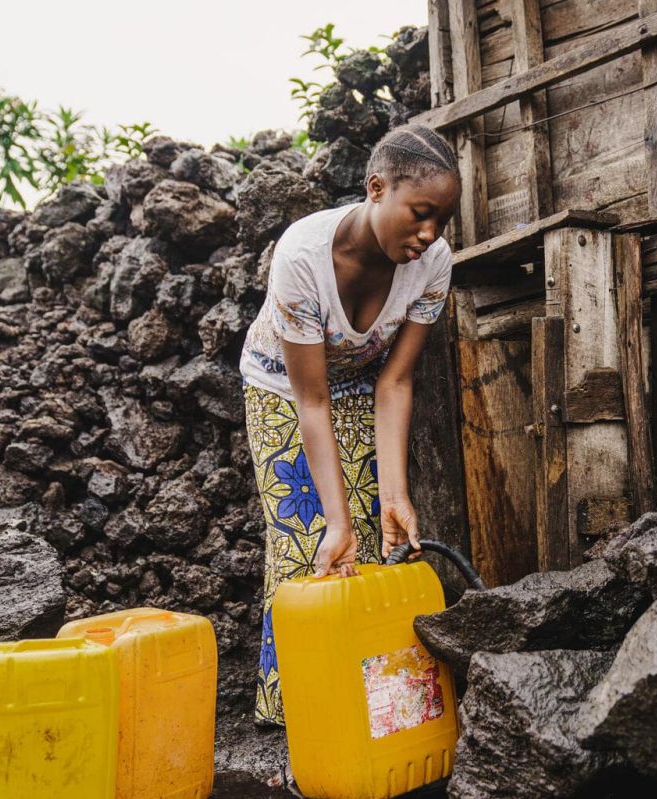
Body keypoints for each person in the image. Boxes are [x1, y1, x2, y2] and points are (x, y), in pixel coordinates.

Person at [238, 123, 461, 730]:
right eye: (420, 214)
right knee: (308, 538)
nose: (430, 234)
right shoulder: (302, 257)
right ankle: (294, 714)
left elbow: (395, 382)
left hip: (362, 385)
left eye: (442, 220)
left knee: (373, 536)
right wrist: (334, 519)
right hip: (283, 387)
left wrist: (396, 496)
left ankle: (370, 710)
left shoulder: (433, 263)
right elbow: (310, 402)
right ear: (376, 188)